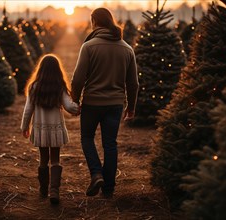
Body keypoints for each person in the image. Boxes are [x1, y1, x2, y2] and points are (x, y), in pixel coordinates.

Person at [71, 7, 139, 198]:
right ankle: (108, 188)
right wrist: (131, 107)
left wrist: (75, 100)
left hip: (92, 102)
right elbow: (133, 83)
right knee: (110, 144)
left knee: (86, 138)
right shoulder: (127, 48)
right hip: (115, 105)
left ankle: (96, 174)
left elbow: (78, 79)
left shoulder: (89, 46)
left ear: (94, 21)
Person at [21, 54, 79, 204]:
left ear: (41, 69)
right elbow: (68, 106)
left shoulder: (34, 87)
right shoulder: (59, 86)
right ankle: (54, 191)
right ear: (57, 70)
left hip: (40, 129)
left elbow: (28, 109)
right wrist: (79, 108)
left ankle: (43, 190)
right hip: (55, 129)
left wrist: (25, 126)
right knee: (55, 159)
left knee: (43, 159)